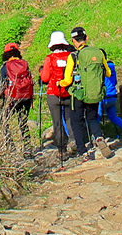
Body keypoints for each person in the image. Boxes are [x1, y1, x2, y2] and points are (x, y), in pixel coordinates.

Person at [66, 25, 107, 158]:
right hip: (94, 91)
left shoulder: (73, 56)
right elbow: (108, 72)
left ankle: (82, 151)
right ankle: (99, 137)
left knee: (76, 122)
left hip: (78, 94)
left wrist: (60, 83)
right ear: (86, 38)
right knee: (92, 118)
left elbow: (67, 80)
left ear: (73, 41)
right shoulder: (99, 52)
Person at [37, 31, 76, 156]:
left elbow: (45, 78)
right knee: (70, 119)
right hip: (69, 92)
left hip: (53, 94)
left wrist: (41, 72)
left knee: (57, 122)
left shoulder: (49, 58)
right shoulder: (71, 56)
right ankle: (73, 140)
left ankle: (61, 149)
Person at [0, 41, 36, 143]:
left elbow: (1, 84)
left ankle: (10, 145)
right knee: (23, 122)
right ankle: (27, 145)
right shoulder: (24, 64)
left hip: (12, 98)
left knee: (3, 120)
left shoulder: (5, 66)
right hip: (26, 97)